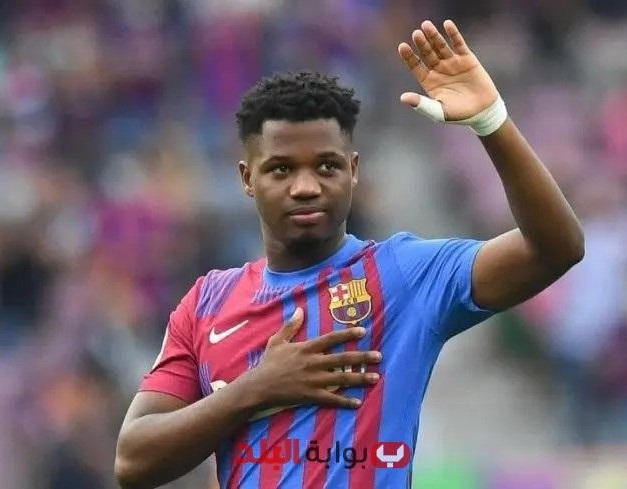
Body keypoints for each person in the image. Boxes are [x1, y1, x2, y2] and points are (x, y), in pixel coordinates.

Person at [115, 19, 584, 489]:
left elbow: (555, 249)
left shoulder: (403, 275)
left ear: (353, 171)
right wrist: (256, 389)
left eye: (327, 166)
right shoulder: (207, 304)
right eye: (281, 169)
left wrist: (491, 123)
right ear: (246, 178)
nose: (305, 186)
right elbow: (133, 461)